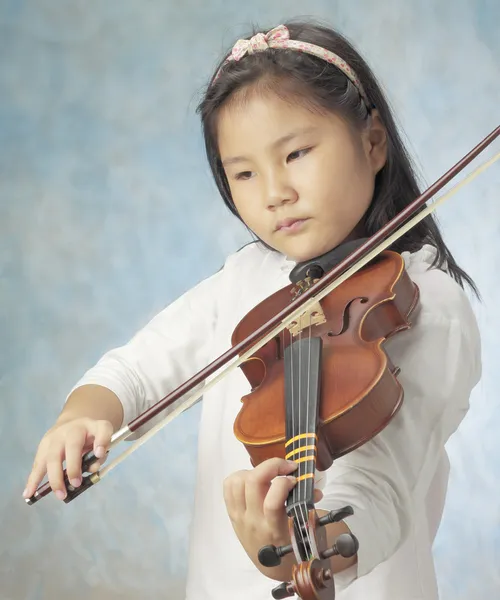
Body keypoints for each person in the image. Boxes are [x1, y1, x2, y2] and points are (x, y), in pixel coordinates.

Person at [23, 20, 482, 600]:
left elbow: (383, 488)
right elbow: (135, 369)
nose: (274, 192)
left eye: (296, 154)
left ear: (372, 142)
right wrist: (82, 417)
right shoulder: (243, 280)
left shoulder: (425, 304)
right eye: (243, 172)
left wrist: (304, 543)